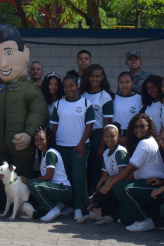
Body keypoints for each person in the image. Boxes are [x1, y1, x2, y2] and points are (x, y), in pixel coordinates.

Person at [0, 24, 49, 177]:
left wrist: (29, 133)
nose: (3, 63)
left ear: (26, 54)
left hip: (22, 148)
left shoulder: (30, 89)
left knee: (21, 179)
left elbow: (39, 113)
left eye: (9, 52)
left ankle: (21, 201)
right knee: (1, 178)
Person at [104, 113, 164, 232]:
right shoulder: (143, 142)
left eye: (142, 126)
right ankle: (156, 216)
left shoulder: (145, 143)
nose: (138, 129)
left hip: (154, 186)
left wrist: (109, 184)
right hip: (145, 185)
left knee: (120, 187)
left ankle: (145, 221)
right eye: (135, 126)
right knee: (125, 218)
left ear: (149, 127)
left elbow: (129, 170)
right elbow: (134, 173)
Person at [50, 72, 93, 220]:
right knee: (65, 178)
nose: (69, 89)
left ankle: (78, 207)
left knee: (78, 178)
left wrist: (81, 143)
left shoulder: (86, 104)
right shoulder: (58, 104)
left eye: (72, 86)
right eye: (66, 86)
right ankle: (67, 205)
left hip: (79, 148)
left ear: (77, 86)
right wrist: (53, 145)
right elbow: (54, 127)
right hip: (62, 146)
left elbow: (89, 127)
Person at [79, 64, 114, 194]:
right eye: (92, 76)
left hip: (98, 135)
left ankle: (95, 199)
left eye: (98, 76)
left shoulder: (105, 97)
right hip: (82, 135)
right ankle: (82, 200)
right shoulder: (81, 94)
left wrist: (101, 145)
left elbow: (106, 124)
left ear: (102, 77)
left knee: (95, 169)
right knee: (83, 169)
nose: (94, 79)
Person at [25, 127, 72, 222]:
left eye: (42, 140)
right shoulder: (44, 154)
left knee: (32, 184)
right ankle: (59, 204)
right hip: (57, 188)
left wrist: (29, 181)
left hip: (63, 189)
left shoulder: (50, 153)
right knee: (34, 183)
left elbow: (49, 176)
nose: (39, 143)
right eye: (36, 140)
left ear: (48, 139)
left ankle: (53, 209)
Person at [96, 123, 127, 219]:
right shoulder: (106, 153)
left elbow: (123, 175)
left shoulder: (120, 151)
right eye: (106, 137)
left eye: (112, 136)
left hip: (120, 183)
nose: (109, 140)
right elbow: (104, 175)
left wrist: (104, 180)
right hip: (111, 182)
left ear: (119, 136)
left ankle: (120, 211)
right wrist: (101, 184)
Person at [114, 72, 142, 145]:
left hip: (133, 134)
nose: (124, 85)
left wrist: (129, 138)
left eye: (127, 82)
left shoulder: (140, 99)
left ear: (133, 83)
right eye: (121, 82)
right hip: (115, 135)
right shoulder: (113, 98)